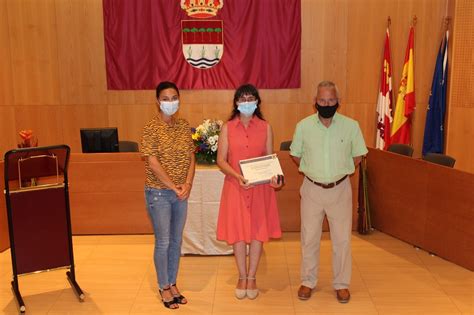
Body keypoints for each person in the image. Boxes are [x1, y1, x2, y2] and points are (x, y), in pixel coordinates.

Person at [290, 80, 368, 303]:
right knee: (309, 238)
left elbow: (358, 155)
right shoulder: (303, 126)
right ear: (315, 102)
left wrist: (341, 171)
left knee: (342, 240)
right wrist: (311, 169)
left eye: (331, 100)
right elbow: (295, 154)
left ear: (338, 102)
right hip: (312, 189)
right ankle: (308, 281)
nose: (326, 104)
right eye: (322, 100)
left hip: (340, 189)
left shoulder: (351, 126)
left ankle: (342, 284)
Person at [216, 84, 283, 300]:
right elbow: (221, 160)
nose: (247, 102)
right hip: (235, 187)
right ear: (236, 102)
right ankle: (242, 275)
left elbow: (270, 159)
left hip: (260, 189)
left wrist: (274, 177)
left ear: (257, 102)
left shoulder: (265, 127)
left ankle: (252, 276)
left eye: (251, 98)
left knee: (256, 232)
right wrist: (237, 176)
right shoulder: (227, 127)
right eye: (242, 98)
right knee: (236, 232)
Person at [140, 81, 196, 310]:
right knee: (163, 242)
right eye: (166, 98)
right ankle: (163, 286)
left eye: (174, 98)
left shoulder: (184, 125)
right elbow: (152, 163)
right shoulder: (150, 128)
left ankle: (172, 282)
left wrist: (188, 184)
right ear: (158, 101)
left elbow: (192, 156)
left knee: (176, 241)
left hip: (181, 193)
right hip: (159, 194)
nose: (171, 102)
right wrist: (174, 186)